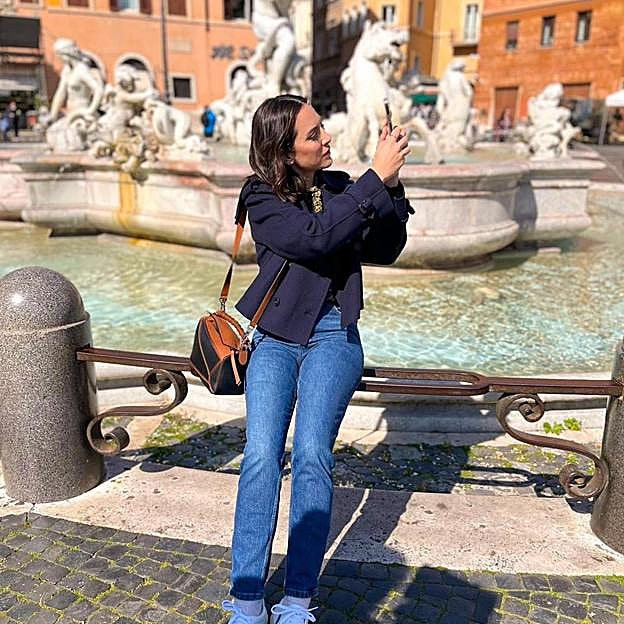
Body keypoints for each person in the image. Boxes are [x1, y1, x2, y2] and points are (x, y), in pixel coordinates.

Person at [221, 94, 412, 624]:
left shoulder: (341, 188)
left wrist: (390, 185)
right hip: (274, 338)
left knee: (311, 456)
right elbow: (313, 240)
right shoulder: (261, 197)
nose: (326, 138)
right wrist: (374, 181)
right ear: (285, 151)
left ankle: (298, 599)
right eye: (313, 134)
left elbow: (385, 249)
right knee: (261, 457)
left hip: (334, 335)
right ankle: (247, 598)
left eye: (322, 128)